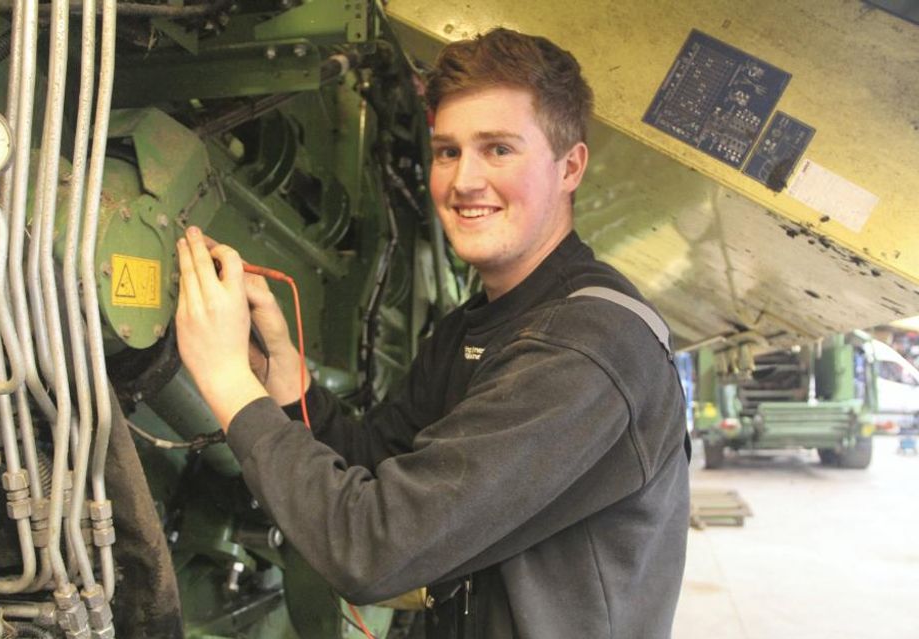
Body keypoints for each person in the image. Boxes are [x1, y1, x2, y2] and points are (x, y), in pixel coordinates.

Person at [175, 27, 689, 639]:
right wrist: (284, 383)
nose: (464, 181)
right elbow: (373, 462)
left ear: (569, 166)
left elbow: (374, 549)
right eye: (448, 151)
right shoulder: (478, 326)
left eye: (498, 149)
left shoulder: (587, 348)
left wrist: (230, 386)